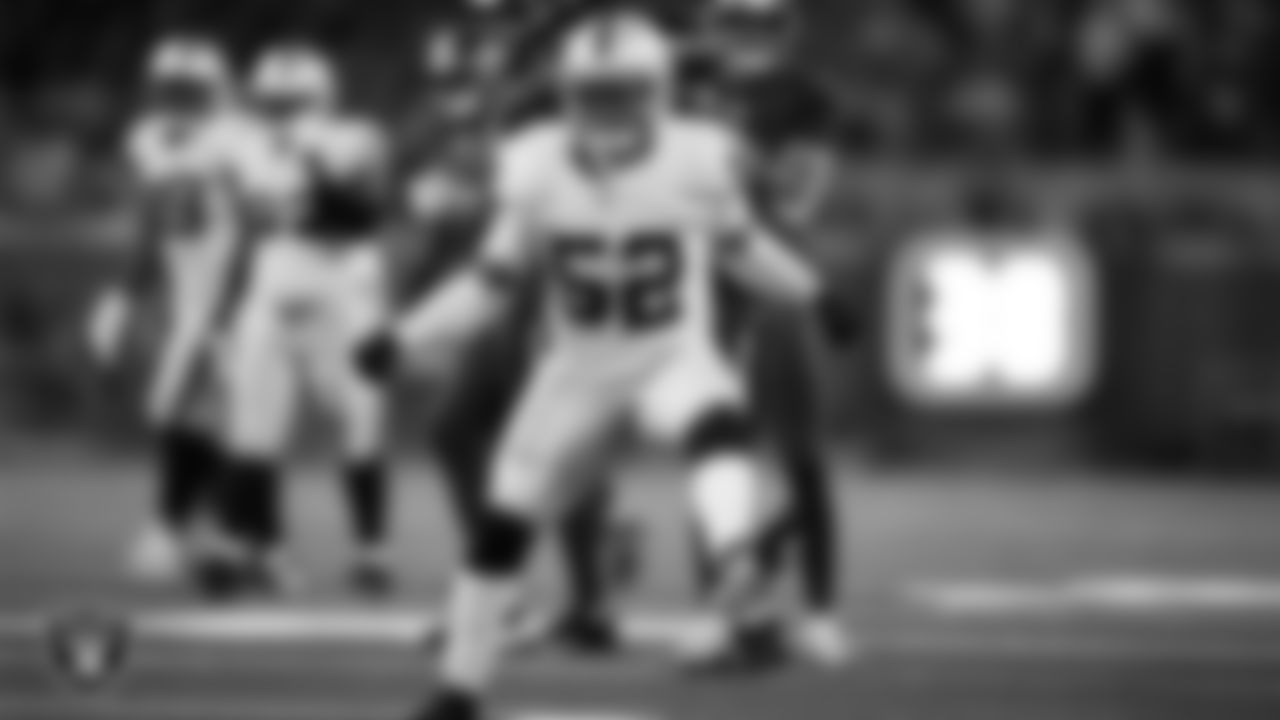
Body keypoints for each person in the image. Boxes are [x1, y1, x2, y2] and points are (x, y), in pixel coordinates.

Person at [358, 11, 851, 720]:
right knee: (504, 522)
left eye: (624, 93)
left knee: (717, 421)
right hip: (576, 368)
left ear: (659, 91)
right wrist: (404, 338)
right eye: (594, 93)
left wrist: (814, 292)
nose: (608, 110)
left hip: (671, 350)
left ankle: (736, 551)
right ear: (567, 92)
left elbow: (745, 249)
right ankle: (461, 689)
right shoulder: (534, 162)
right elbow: (489, 282)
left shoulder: (702, 155)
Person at [399, 8, 631, 651]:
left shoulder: (556, 92)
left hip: (562, 289)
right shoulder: (511, 97)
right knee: (458, 432)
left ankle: (577, 599)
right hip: (517, 289)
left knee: (555, 450)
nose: (485, 45)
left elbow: (550, 187)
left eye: (496, 29)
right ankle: (535, 595)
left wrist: (461, 195)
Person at [683, 0, 856, 665]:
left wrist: (732, 159)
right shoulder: (686, 85)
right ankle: (717, 607)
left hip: (773, 276)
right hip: (701, 283)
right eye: (733, 20)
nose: (742, 35)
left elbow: (795, 197)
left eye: (754, 22)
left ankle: (819, 608)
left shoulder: (802, 97)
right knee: (714, 452)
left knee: (799, 450)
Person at [212, 44, 396, 596]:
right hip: (272, 292)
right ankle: (261, 549)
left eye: (293, 101)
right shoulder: (241, 148)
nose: (282, 112)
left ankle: (372, 550)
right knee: (252, 429)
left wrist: (316, 170)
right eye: (272, 101)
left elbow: (366, 216)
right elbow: (251, 228)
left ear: (323, 100)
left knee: (359, 424)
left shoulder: (355, 140)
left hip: (343, 294)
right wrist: (226, 302)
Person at [88, 36, 247, 586]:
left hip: (233, 298)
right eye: (171, 88)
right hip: (184, 298)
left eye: (190, 89)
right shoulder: (148, 140)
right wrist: (123, 297)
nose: (179, 99)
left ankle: (183, 531)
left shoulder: (235, 141)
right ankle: (218, 532)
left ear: (215, 92)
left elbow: (254, 231)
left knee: (195, 418)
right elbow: (152, 227)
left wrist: (239, 308)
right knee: (186, 419)